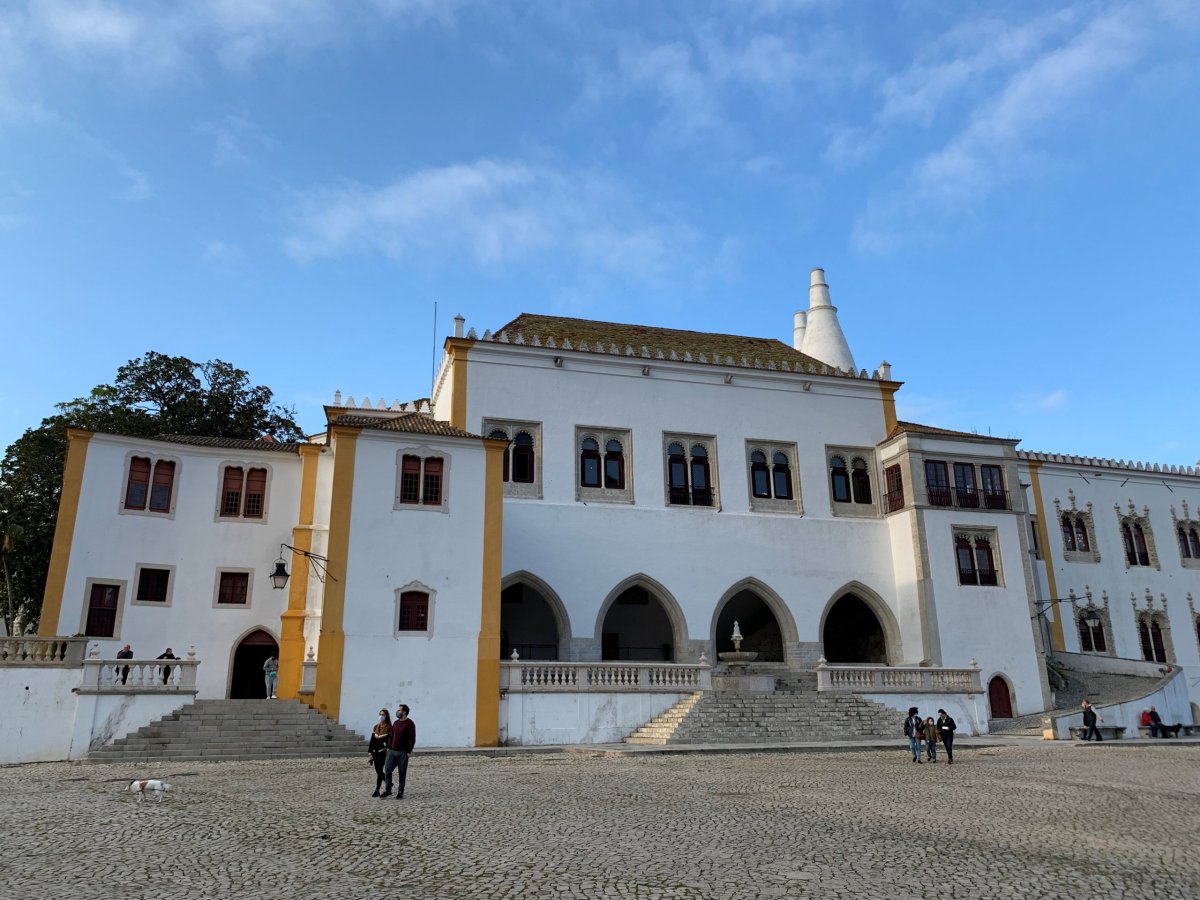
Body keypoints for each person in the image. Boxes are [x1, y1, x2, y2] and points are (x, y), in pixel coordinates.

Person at [381, 704, 416, 799]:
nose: (397, 711)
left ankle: (401, 791)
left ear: (404, 712)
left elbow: (412, 739)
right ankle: (388, 790)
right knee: (387, 769)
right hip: (392, 751)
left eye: (399, 710)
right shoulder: (396, 723)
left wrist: (409, 751)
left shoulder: (410, 724)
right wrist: (388, 747)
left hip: (403, 752)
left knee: (402, 772)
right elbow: (392, 736)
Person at [368, 708, 393, 797]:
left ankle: (377, 790)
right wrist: (370, 751)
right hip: (375, 752)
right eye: (380, 714)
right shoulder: (376, 727)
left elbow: (390, 741)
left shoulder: (389, 727)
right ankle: (388, 782)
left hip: (383, 752)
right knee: (378, 770)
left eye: (383, 715)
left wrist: (387, 748)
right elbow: (372, 740)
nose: (381, 716)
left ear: (386, 716)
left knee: (379, 770)